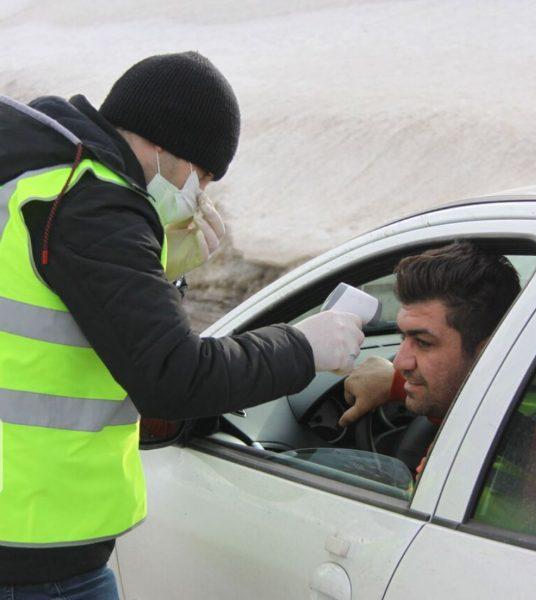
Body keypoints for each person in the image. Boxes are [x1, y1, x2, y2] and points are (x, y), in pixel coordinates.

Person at [0, 51, 363, 595]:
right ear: (166, 147)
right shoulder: (96, 203)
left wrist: (158, 269)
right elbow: (174, 376)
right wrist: (301, 348)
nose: (201, 195)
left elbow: (79, 316)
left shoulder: (43, 182)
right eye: (205, 177)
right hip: (34, 549)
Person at [339, 241, 521, 475]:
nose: (398, 363)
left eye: (423, 342)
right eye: (403, 337)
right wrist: (396, 386)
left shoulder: (530, 455)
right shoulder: (499, 402)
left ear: (490, 351)